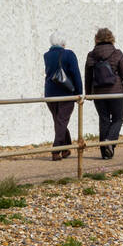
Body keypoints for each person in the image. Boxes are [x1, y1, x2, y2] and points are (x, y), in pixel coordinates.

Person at [85, 27, 123, 159]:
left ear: (97, 39)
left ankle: (105, 154)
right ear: (111, 38)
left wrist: (88, 93)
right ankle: (109, 141)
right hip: (115, 92)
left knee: (104, 120)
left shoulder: (91, 55)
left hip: (98, 93)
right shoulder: (117, 53)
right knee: (118, 118)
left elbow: (88, 76)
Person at [43, 31, 82, 160]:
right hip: (66, 93)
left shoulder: (47, 55)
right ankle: (56, 150)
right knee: (61, 121)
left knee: (59, 121)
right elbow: (76, 74)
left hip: (50, 93)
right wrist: (79, 93)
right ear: (63, 42)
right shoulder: (69, 54)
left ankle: (65, 149)